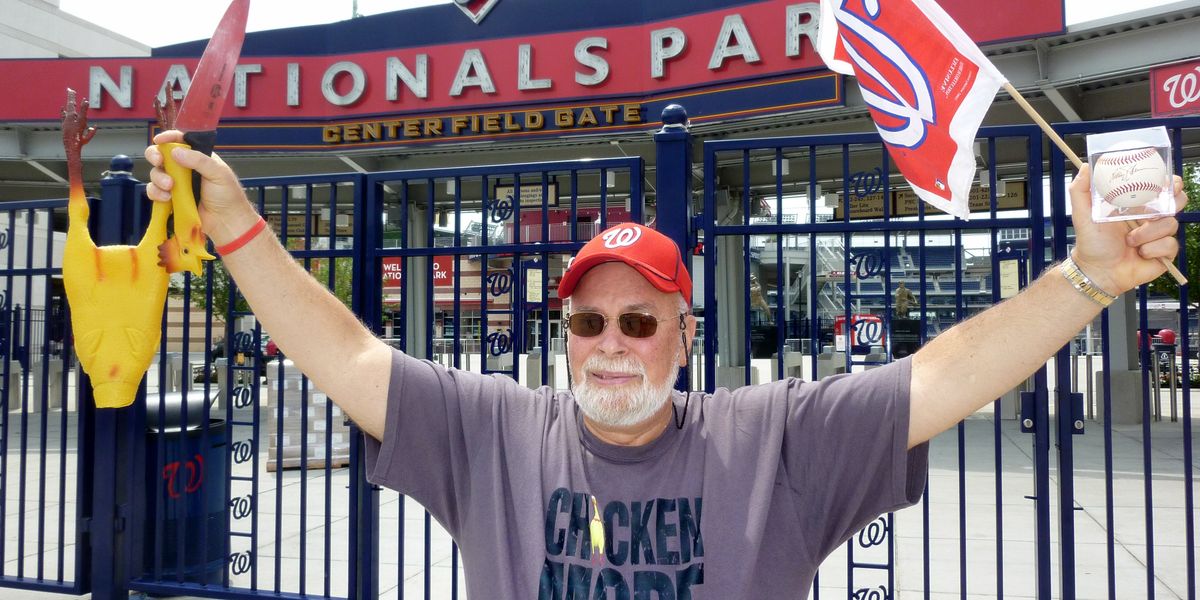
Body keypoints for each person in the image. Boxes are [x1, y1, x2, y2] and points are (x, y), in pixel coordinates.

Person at [144, 131, 1183, 599]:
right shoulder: (492, 431)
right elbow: (349, 350)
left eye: (639, 323)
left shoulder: (773, 439)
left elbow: (948, 371)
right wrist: (238, 226)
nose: (608, 345)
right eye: (586, 323)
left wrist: (1085, 282)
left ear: (685, 335)